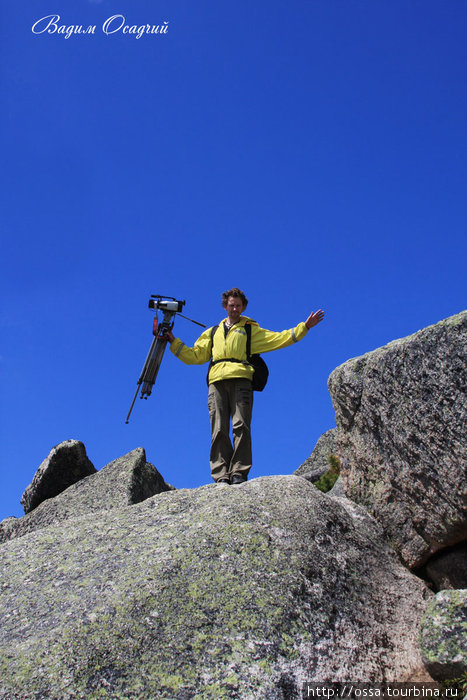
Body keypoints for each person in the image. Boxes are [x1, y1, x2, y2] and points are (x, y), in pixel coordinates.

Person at [166, 288, 324, 486]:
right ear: (225, 306)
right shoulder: (212, 332)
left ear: (243, 307)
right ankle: (221, 474)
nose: (234, 309)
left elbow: (278, 338)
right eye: (231, 305)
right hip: (216, 381)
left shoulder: (249, 329)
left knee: (241, 425)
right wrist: (173, 341)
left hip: (241, 379)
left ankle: (239, 472)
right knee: (218, 428)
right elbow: (194, 356)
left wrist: (304, 327)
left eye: (238, 305)